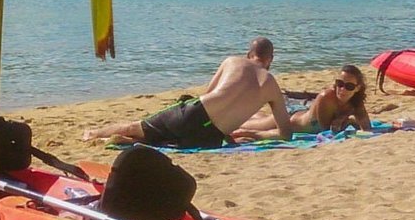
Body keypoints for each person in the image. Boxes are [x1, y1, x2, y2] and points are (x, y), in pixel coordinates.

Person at [83, 37, 292, 149]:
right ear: (270, 59)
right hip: (211, 137)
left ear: (249, 54)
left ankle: (93, 134)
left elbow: (208, 94)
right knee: (166, 142)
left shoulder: (232, 62)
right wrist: (253, 134)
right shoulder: (272, 85)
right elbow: (286, 134)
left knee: (136, 127)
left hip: (194, 113)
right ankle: (127, 141)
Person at [235, 64, 372, 140]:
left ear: (357, 88)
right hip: (290, 120)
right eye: (339, 84)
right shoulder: (326, 97)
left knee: (261, 119)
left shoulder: (356, 101)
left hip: (299, 114)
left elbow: (367, 127)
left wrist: (351, 120)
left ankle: (252, 114)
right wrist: (348, 120)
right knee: (243, 125)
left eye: (349, 86)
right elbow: (326, 129)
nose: (342, 89)